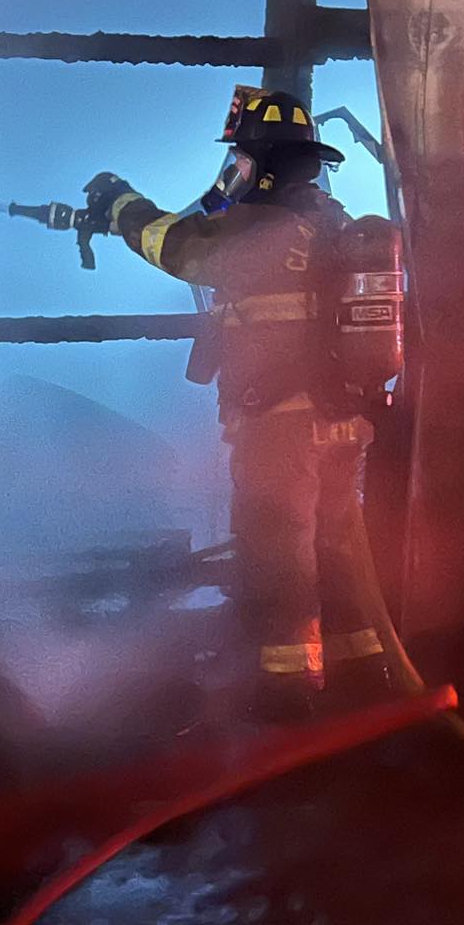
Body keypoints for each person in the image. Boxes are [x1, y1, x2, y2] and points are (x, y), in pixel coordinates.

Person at [80, 87, 396, 720]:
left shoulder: (258, 227)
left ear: (263, 164)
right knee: (337, 544)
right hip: (342, 417)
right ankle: (364, 677)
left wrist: (118, 201)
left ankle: (285, 693)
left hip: (281, 421)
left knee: (277, 550)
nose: (236, 172)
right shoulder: (333, 223)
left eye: (242, 161)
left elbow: (175, 245)